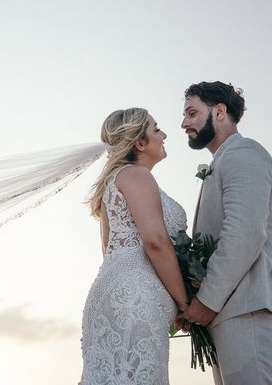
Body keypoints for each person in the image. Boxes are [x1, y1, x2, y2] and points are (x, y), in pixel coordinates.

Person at [181, 81, 272, 384]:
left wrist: (206, 301)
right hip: (232, 311)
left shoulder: (245, 154)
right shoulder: (222, 161)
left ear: (219, 111)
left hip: (251, 310)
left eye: (192, 113)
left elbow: (244, 235)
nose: (184, 123)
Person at [80, 108, 188, 385]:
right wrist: (185, 303)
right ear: (139, 143)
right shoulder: (137, 176)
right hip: (135, 300)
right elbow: (156, 241)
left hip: (112, 295)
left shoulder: (113, 182)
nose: (164, 135)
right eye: (156, 129)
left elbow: (109, 251)